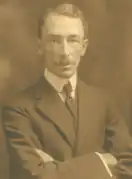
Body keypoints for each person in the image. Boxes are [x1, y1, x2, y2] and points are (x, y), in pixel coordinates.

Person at [3, 3, 132, 179]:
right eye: (55, 41)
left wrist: (55, 168)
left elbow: (129, 165)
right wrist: (102, 161)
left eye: (72, 40)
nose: (65, 52)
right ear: (40, 45)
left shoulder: (103, 103)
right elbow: (34, 174)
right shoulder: (18, 108)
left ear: (84, 47)